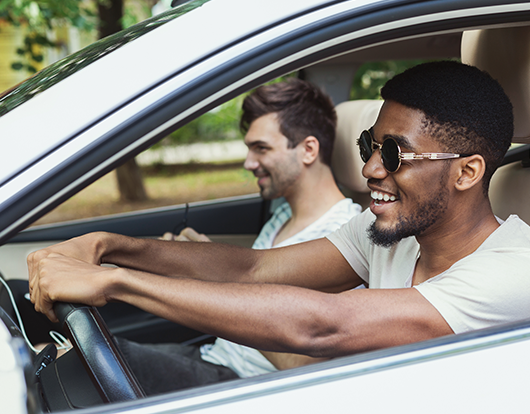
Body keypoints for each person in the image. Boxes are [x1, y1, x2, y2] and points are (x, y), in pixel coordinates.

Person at [28, 61, 530, 392]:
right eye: (369, 147)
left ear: (467, 172)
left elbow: (326, 324)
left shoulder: (514, 272)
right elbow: (254, 270)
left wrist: (116, 282)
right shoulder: (389, 234)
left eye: (394, 153)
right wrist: (109, 247)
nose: (372, 170)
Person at [160, 79, 362, 382]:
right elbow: (249, 284)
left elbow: (307, 366)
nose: (248, 162)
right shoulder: (282, 215)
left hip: (238, 382)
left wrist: (211, 278)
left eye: (261, 149)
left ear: (308, 150)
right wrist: (206, 263)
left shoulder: (345, 238)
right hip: (211, 359)